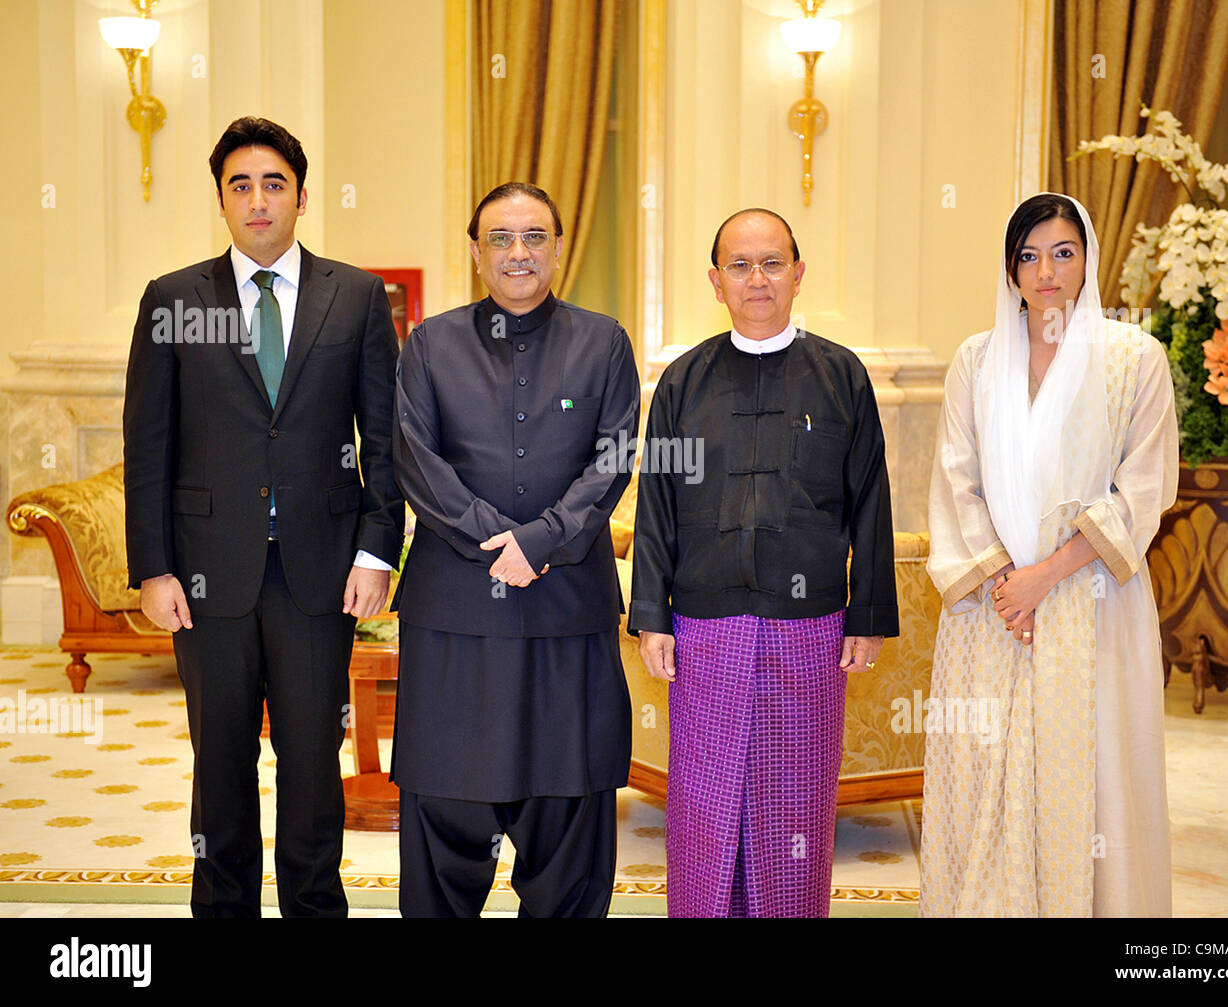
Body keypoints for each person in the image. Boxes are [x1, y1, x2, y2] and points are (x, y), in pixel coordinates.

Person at [123, 116, 403, 917]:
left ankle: (315, 907)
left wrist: (377, 552)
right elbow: (148, 442)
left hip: (320, 572)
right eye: (240, 185)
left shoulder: (354, 296)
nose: (257, 200)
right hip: (206, 573)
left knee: (314, 762)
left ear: (302, 196)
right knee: (220, 765)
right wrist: (153, 567)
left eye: (273, 183)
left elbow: (382, 438)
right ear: (220, 199)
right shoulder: (174, 297)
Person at [629, 207, 899, 917]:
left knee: (795, 807)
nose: (758, 279)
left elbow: (871, 501)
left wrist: (867, 615)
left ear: (798, 274)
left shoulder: (841, 375)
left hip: (809, 628)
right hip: (703, 625)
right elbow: (654, 503)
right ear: (715, 282)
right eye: (740, 266)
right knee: (704, 803)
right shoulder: (682, 382)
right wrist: (651, 613)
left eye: (772, 262)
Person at [921, 192, 1178, 917]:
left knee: (1090, 784)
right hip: (990, 609)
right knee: (983, 782)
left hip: (1093, 602)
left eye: (1063, 252)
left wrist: (1045, 577)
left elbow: (1143, 491)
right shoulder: (976, 360)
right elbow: (954, 481)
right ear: (1011, 272)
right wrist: (1008, 581)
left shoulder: (1135, 359)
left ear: (1088, 260)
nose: (1047, 272)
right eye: (1029, 256)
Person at [390, 181, 639, 917]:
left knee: (570, 812)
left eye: (535, 236)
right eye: (500, 238)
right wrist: (493, 540)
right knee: (442, 809)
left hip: (568, 613)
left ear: (559, 247)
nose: (518, 253)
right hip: (454, 617)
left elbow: (615, 455)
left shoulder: (604, 341)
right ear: (475, 251)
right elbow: (413, 457)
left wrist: (541, 541)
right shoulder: (430, 344)